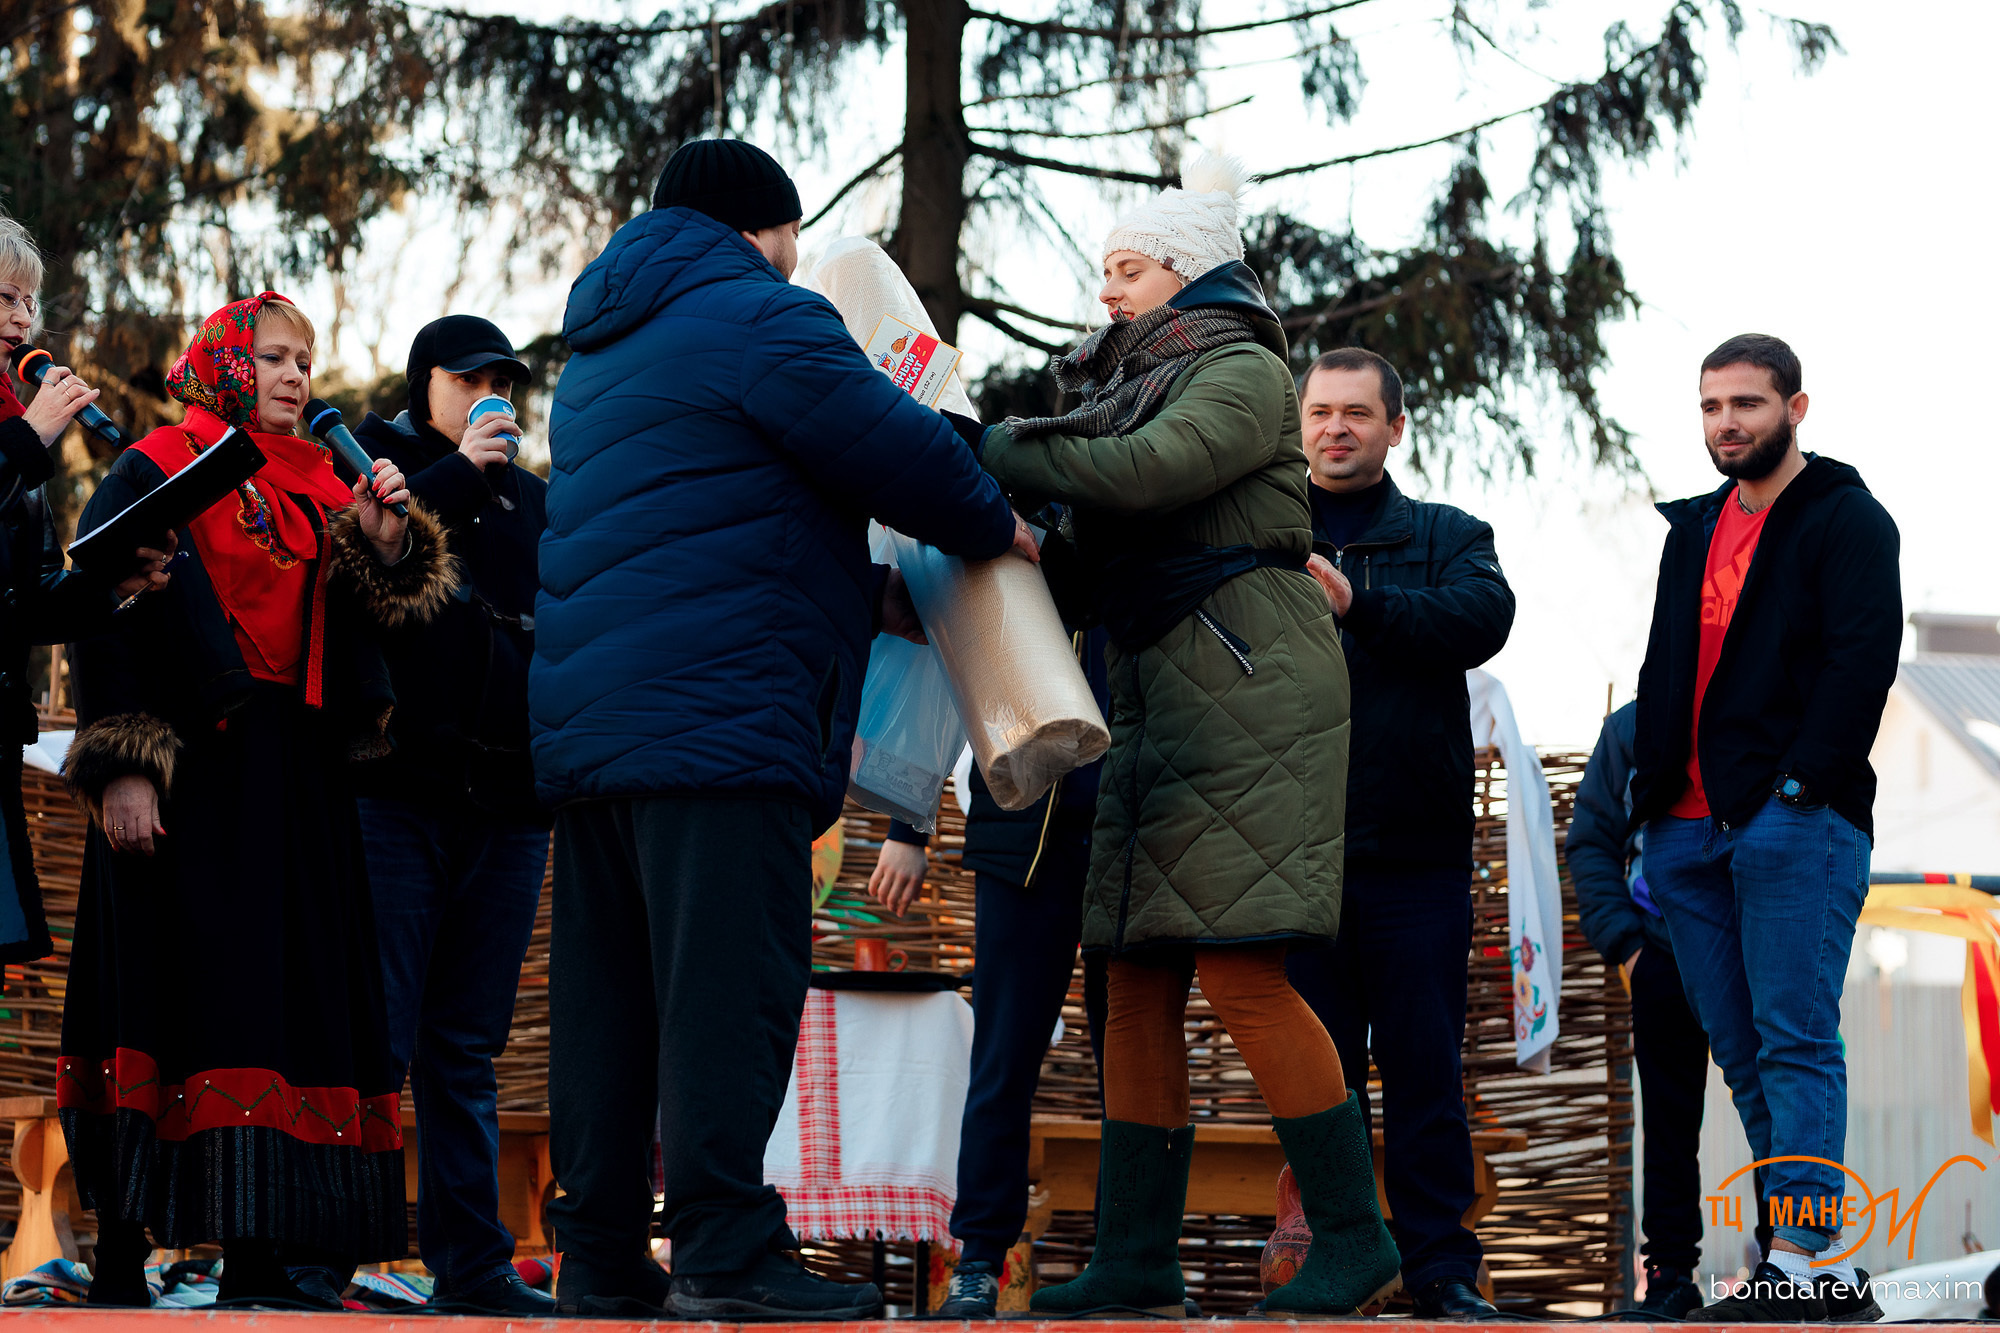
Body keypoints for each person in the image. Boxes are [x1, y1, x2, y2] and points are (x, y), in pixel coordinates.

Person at [531, 138, 1032, 1320]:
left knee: (607, 1003)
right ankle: (722, 1249)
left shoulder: (602, 351)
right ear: (765, 226)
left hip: (599, 732)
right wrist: (990, 517)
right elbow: (893, 446)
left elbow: (705, 536)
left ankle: (597, 1255)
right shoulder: (760, 314)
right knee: (724, 993)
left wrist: (865, 600)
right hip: (723, 730)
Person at [971, 152, 1398, 1319]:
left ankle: (1356, 1240)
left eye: (1128, 269)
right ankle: (1134, 1254)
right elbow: (1109, 539)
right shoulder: (1145, 375)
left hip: (1242, 687)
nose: (1105, 291)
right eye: (1103, 270)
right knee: (1135, 975)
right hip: (1162, 689)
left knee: (1240, 969)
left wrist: (1002, 447)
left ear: (1189, 272)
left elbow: (1150, 476)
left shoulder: (1243, 369)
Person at [57, 292, 456, 1308]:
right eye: (274, 358)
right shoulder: (157, 463)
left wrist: (384, 540)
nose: (294, 378)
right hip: (187, 768)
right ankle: (119, 1251)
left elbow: (383, 627)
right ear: (225, 363)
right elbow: (101, 611)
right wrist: (125, 765)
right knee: (165, 992)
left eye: (305, 361)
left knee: (276, 1003)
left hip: (293, 779)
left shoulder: (333, 485)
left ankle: (256, 1252)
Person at [1632, 333, 1897, 1323]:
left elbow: (1859, 662)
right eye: (1708, 406)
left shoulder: (1843, 520)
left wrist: (1798, 787)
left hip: (1792, 820)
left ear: (1793, 407)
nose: (1724, 422)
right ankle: (1805, 1258)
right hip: (1683, 830)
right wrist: (1647, 805)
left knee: (1791, 1037)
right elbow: (1665, 668)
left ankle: (1796, 1252)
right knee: (1740, 1048)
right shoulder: (1689, 529)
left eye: (1744, 403)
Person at [297, 317, 551, 1313]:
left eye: (503, 381)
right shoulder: (371, 466)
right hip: (396, 798)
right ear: (424, 382)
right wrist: (455, 473)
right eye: (470, 377)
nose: (492, 393)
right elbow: (353, 586)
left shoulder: (530, 500)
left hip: (509, 804)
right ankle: (320, 1253)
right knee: (376, 1037)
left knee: (465, 1046)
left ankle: (474, 1264)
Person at [1282, 347, 1514, 1319]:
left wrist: (1356, 602)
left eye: (1355, 413)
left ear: (1394, 428)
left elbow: (1478, 618)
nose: (1335, 427)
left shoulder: (1448, 536)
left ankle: (1440, 1271)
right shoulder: (1259, 531)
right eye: (1319, 411)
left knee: (1423, 1076)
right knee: (1315, 1083)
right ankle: (1333, 1259)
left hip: (1414, 862)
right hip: (1291, 860)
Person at [867, 626, 1111, 1318]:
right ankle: (978, 1257)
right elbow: (951, 664)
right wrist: (909, 825)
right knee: (1002, 1054)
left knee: (1134, 1060)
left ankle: (1127, 1250)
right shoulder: (1011, 527)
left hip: (1132, 824)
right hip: (1020, 825)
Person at [0, 215, 173, 973]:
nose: (22, 320)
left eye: (29, 303)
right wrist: (25, 445)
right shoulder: (20, 444)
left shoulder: (17, 438)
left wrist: (110, 585)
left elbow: (28, 602)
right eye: (4, 299)